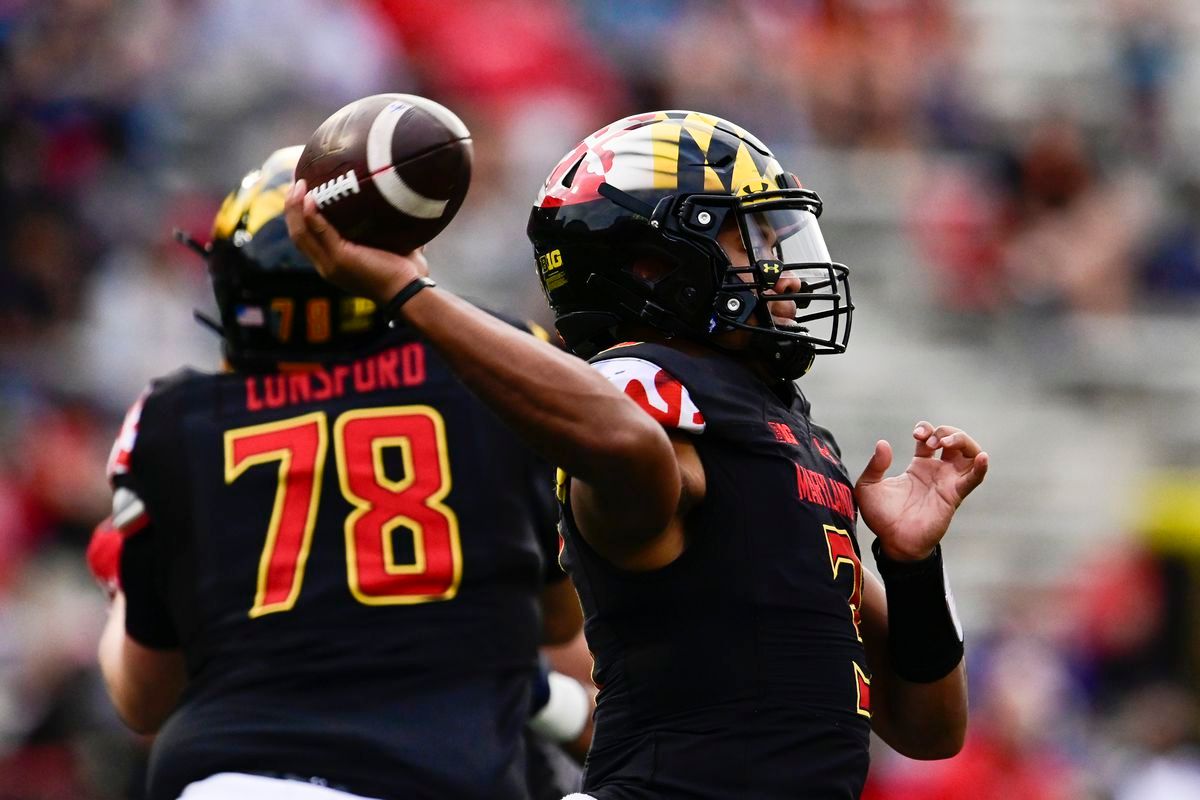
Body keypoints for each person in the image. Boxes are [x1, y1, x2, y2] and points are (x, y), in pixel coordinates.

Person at [287, 110, 989, 800]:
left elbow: (931, 729)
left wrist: (912, 565)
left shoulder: (792, 434)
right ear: (658, 264)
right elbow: (624, 442)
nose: (791, 275)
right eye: (754, 241)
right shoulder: (643, 388)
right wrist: (411, 294)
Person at [91, 145, 590, 800]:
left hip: (232, 778)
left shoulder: (168, 421)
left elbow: (142, 699)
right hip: (444, 769)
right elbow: (562, 626)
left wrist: (122, 586)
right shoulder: (488, 369)